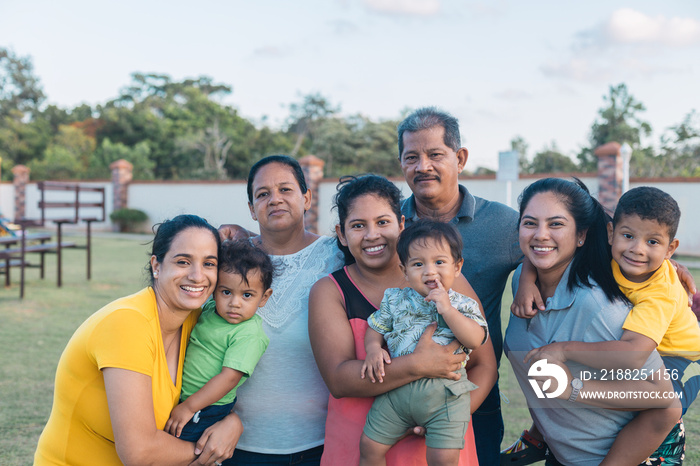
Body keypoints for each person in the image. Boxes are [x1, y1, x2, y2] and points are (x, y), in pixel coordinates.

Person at [310, 174, 495, 465]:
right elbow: (338, 379)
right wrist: (417, 365)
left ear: (402, 224)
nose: (372, 235)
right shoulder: (330, 291)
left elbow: (485, 364)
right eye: (358, 226)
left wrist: (450, 413)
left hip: (438, 445)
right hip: (360, 444)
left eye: (383, 222)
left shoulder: (443, 282)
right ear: (342, 235)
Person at [34, 214, 243, 466]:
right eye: (183, 261)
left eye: (209, 264)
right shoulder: (127, 323)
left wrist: (233, 421)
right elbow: (139, 453)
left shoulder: (196, 320)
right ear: (157, 265)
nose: (198, 276)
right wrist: (209, 449)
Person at [511, 186, 697, 465]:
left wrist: (565, 357)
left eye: (653, 243)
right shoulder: (608, 258)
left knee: (663, 407)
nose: (637, 248)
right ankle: (540, 438)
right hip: (568, 449)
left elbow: (640, 366)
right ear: (610, 233)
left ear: (670, 248)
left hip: (677, 357)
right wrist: (526, 278)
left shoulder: (646, 299)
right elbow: (541, 245)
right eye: (530, 223)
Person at [397, 107, 522, 464]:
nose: (423, 166)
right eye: (412, 157)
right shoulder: (389, 222)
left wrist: (526, 275)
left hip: (476, 391)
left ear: (460, 157)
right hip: (398, 395)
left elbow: (556, 249)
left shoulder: (502, 224)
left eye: (435, 154)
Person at [220, 155, 345, 465]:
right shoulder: (227, 263)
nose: (274, 199)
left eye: (285, 190)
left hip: (322, 445)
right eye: (262, 194)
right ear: (251, 208)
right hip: (237, 446)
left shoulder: (339, 256)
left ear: (306, 198)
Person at [360, 220, 489, 466]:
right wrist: (373, 348)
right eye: (418, 264)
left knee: (443, 459)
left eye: (439, 262)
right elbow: (376, 327)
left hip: (446, 397)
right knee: (369, 446)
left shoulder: (463, 304)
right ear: (404, 271)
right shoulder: (395, 298)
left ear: (457, 266)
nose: (429, 271)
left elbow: (476, 338)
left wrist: (448, 310)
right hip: (397, 392)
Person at [165, 240, 273, 442]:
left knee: (184, 451)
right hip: (186, 398)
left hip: (206, 408)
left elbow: (229, 378)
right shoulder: (210, 310)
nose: (234, 303)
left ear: (264, 297)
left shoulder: (249, 334)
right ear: (214, 290)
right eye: (226, 292)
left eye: (247, 295)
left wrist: (189, 407)